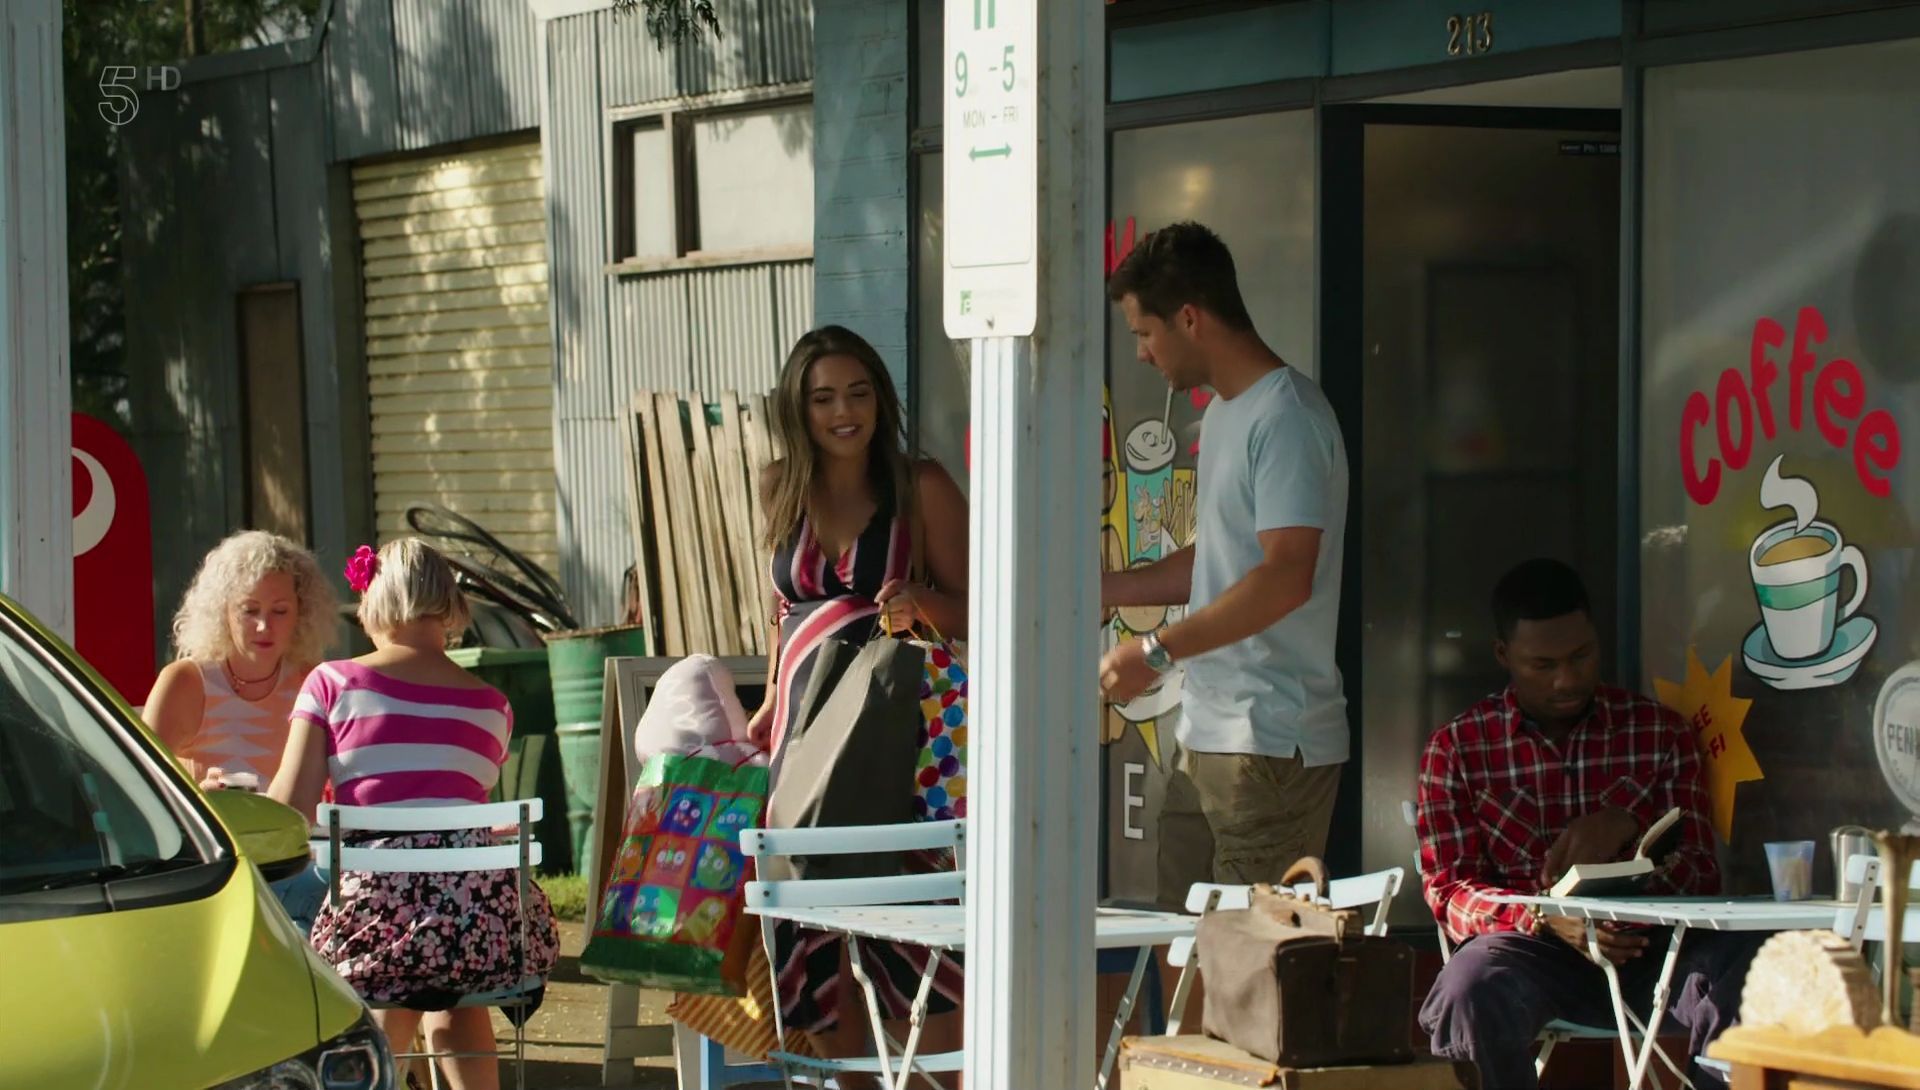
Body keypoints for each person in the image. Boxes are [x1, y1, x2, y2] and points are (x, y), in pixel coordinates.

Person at [1415, 558, 1761, 1090]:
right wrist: (1542, 917)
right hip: (1532, 953)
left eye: (1581, 656)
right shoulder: (1458, 749)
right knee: (1469, 987)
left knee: (1757, 962)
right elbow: (1449, 889)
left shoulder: (1658, 732)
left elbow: (1700, 870)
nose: (1567, 679)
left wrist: (1628, 828)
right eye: (1543, 664)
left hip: (1655, 952)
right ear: (1503, 656)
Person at [1098, 221, 1351, 909]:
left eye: (1145, 333)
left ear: (1189, 318)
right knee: (1183, 944)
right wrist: (1103, 588)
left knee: (1255, 955)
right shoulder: (1227, 414)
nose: (1142, 353)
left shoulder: (1287, 417)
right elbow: (1219, 558)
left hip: (1271, 738)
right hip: (1207, 731)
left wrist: (1155, 650)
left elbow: (1285, 575)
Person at [746, 324, 969, 1082]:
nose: (844, 412)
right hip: (800, 741)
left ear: (881, 399)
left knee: (911, 932)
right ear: (797, 409)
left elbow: (981, 603)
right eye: (823, 399)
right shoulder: (779, 484)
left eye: (858, 393)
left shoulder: (919, 486)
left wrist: (919, 602)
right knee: (813, 930)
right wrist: (770, 698)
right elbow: (782, 609)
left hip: (892, 739)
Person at [268, 538, 560, 1090]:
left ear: (374, 601)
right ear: (449, 605)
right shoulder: (492, 705)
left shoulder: (331, 683)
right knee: (450, 983)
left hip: (375, 927)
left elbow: (290, 811)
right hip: (487, 933)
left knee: (391, 957)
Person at [144, 529, 339, 930]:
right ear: (223, 611)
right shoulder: (186, 682)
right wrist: (198, 797)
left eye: (280, 611)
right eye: (250, 610)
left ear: (302, 613)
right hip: (215, 868)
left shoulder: (314, 680)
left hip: (297, 863)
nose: (265, 626)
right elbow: (139, 791)